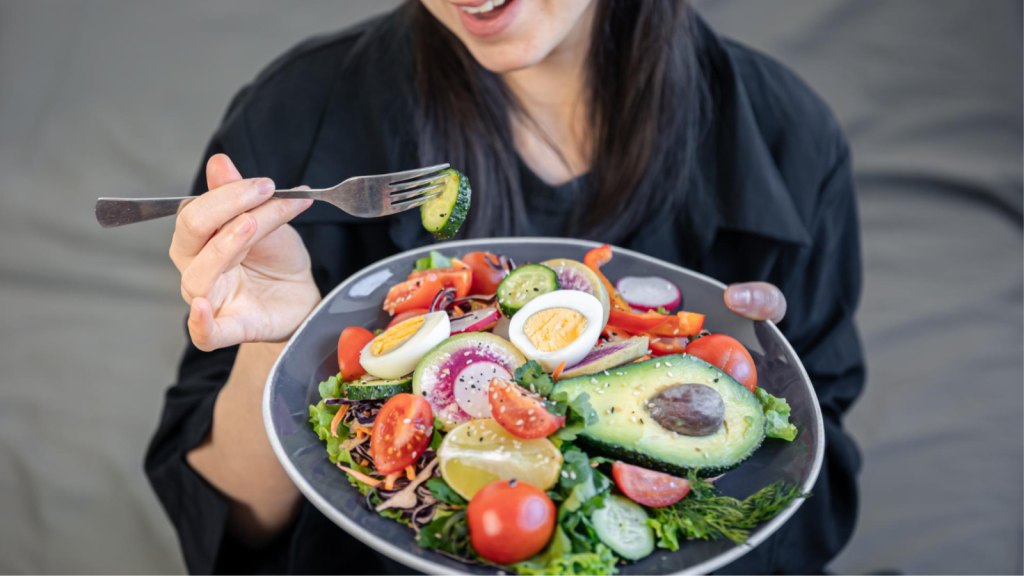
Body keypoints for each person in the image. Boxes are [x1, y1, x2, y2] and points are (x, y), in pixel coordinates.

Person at [145, 0, 864, 573]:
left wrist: (753, 376)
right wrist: (282, 346)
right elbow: (229, 528)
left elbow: (805, 491)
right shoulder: (297, 115)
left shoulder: (784, 137)